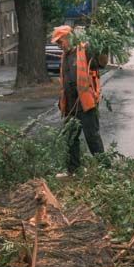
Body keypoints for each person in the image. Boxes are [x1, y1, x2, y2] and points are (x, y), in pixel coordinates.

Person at [52, 25, 105, 175]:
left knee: (92, 137)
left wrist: (102, 45)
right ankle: (73, 170)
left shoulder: (85, 50)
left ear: (69, 37)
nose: (59, 45)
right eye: (58, 43)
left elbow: (101, 63)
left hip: (86, 102)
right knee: (71, 137)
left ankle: (105, 169)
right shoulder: (65, 55)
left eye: (60, 41)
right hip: (70, 104)